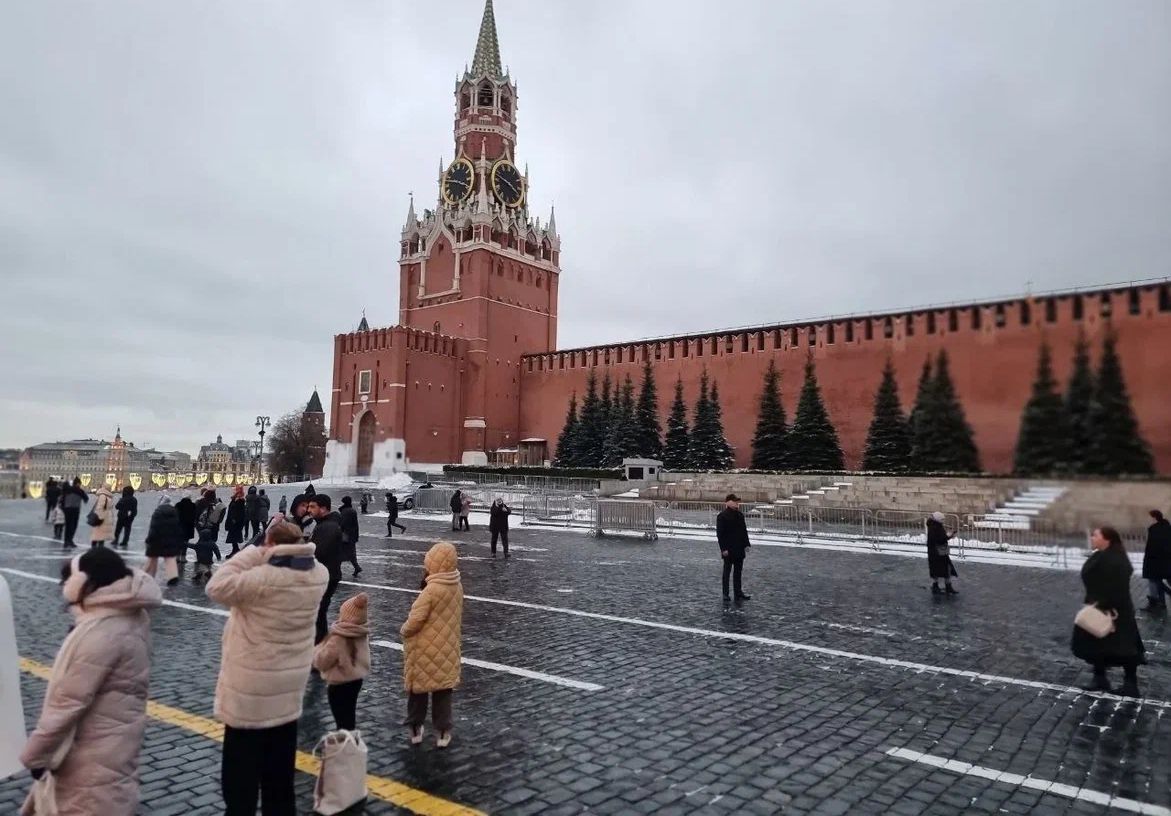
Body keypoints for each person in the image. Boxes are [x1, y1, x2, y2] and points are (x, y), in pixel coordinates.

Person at [20, 548, 162, 815]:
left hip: (88, 753)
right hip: (115, 743)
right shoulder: (129, 616)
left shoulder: (100, 633)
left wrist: (36, 755)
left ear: (84, 583)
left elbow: (68, 703)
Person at [206, 520, 328, 816]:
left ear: (271, 544)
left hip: (251, 692)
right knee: (279, 775)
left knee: (240, 777)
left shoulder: (262, 578)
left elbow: (216, 585)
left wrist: (256, 551)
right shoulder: (318, 574)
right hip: (287, 687)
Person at [401, 541, 463, 748]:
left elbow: (415, 620)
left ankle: (415, 728)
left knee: (418, 692)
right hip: (448, 647)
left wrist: (404, 631)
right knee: (443, 692)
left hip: (425, 649)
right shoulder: (456, 585)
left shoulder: (431, 590)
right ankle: (443, 732)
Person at [1072, 526, 1145, 696]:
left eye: (1095, 535)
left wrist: (1102, 604)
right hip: (1099, 606)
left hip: (1115, 610)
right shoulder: (1101, 555)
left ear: (1107, 539)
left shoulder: (1115, 559)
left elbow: (1116, 586)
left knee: (1125, 648)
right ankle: (1100, 678)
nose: (1092, 537)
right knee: (1097, 645)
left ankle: (1130, 684)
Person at [312, 592, 370, 732]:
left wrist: (315, 653)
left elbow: (322, 662)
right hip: (356, 680)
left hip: (339, 683)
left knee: (341, 719)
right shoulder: (362, 633)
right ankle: (351, 743)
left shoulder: (338, 637)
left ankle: (345, 747)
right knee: (349, 715)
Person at [308, 495, 344, 644]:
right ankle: (319, 644)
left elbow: (318, 552)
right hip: (328, 574)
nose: (309, 510)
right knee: (319, 612)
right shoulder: (325, 524)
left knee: (318, 612)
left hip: (326, 576)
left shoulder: (327, 527)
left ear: (323, 509)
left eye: (313, 507)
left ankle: (319, 644)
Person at [715, 494, 751, 603]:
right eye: (735, 501)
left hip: (739, 548)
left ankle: (738, 592)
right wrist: (723, 549)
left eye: (737, 501)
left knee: (738, 572)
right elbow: (720, 534)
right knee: (727, 572)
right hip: (729, 550)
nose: (737, 503)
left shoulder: (740, 515)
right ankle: (725, 594)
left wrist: (746, 544)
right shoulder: (722, 516)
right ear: (728, 502)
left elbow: (743, 531)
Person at [144, 495, 184, 586]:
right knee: (169, 557)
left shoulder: (157, 512)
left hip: (157, 540)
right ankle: (172, 577)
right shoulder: (174, 512)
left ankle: (148, 575)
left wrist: (149, 539)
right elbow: (177, 527)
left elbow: (153, 528)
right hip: (170, 539)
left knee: (152, 558)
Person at [1142, 510, 1171, 612]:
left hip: (1156, 562)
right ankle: (1160, 603)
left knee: (1155, 581)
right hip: (1166, 562)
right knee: (1160, 581)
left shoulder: (1155, 530)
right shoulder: (1167, 528)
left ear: (1154, 518)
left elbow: (1152, 548)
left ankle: (1157, 603)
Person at [926, 511, 958, 595]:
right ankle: (942, 587)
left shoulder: (935, 526)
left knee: (944, 569)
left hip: (937, 553)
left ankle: (945, 586)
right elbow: (939, 540)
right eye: (942, 519)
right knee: (942, 569)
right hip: (937, 553)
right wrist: (949, 536)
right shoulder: (934, 528)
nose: (943, 521)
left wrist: (948, 536)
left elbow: (940, 538)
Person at [60, 477, 88, 549]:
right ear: (78, 483)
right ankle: (70, 540)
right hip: (75, 509)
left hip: (67, 509)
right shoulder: (80, 491)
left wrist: (64, 507)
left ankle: (66, 542)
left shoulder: (67, 490)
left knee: (68, 526)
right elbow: (86, 499)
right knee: (74, 526)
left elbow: (62, 500)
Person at [338, 496, 362, 577]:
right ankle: (356, 567)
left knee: (340, 553)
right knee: (351, 553)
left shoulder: (346, 511)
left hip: (346, 535)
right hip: (352, 535)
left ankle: (338, 570)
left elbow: (343, 524)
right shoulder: (351, 510)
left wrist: (338, 530)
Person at [88, 484, 116, 549]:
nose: (111, 489)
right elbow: (100, 507)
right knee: (98, 534)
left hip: (105, 517)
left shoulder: (106, 496)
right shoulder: (103, 496)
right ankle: (95, 548)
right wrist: (100, 517)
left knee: (101, 535)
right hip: (102, 518)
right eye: (110, 488)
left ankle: (98, 548)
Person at [224, 486, 248, 558]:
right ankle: (235, 550)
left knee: (233, 537)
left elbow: (239, 512)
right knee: (233, 538)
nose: (233, 492)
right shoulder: (235, 499)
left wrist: (234, 519)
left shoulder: (239, 500)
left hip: (235, 523)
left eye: (235, 491)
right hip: (233, 521)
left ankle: (235, 551)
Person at [175, 492, 198, 564]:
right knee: (185, 543)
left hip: (179, 526)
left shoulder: (178, 505)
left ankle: (177, 557)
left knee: (178, 542)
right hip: (189, 527)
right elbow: (195, 516)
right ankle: (183, 557)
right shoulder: (193, 505)